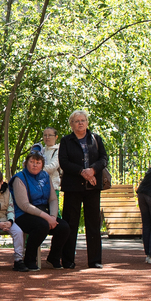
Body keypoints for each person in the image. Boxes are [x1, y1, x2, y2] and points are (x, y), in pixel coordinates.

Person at [56, 110, 109, 270]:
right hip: (73, 187)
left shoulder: (96, 139)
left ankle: (95, 260)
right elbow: (64, 162)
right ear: (72, 124)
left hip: (92, 187)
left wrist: (92, 170)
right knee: (70, 223)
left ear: (87, 122)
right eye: (77, 121)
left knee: (93, 224)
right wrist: (82, 172)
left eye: (83, 120)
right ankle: (68, 260)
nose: (80, 123)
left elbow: (104, 158)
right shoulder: (66, 141)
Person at [10, 148, 59, 270]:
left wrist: (53, 217)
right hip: (23, 214)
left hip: (43, 212)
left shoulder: (45, 176)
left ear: (42, 164)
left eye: (38, 162)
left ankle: (53, 258)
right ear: (26, 163)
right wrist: (47, 218)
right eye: (32, 162)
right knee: (41, 226)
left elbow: (53, 199)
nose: (35, 165)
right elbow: (24, 205)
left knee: (64, 227)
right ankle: (29, 259)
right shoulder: (19, 178)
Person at [39, 126, 62, 220]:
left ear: (56, 137)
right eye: (45, 135)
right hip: (39, 188)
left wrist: (35, 169)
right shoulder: (41, 150)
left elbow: (52, 167)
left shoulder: (59, 150)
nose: (47, 137)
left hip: (53, 187)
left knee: (55, 213)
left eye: (50, 135)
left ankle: (60, 228)